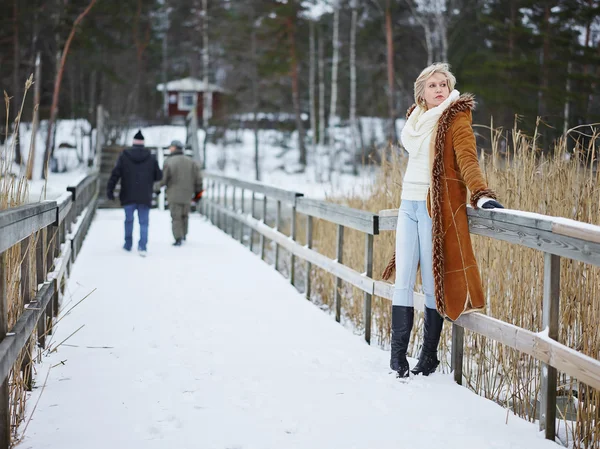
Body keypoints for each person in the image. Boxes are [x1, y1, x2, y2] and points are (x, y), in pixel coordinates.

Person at [381, 63, 504, 378]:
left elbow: (467, 158)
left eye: (444, 85)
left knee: (434, 282)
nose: (439, 90)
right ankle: (397, 358)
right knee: (404, 279)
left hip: (433, 208)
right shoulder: (415, 120)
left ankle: (428, 356)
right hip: (408, 203)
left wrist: (480, 193)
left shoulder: (455, 117)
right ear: (421, 91)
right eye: (433, 85)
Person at [106, 130, 162, 257]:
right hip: (145, 195)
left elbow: (115, 174)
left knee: (128, 220)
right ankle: (142, 246)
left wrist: (110, 190)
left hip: (128, 194)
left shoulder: (124, 156)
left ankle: (128, 244)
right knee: (144, 222)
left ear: (133, 143)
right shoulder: (151, 157)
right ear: (143, 143)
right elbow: (158, 176)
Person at [160, 140, 203, 246]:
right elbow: (198, 179)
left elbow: (163, 179)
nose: (170, 149)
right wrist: (198, 193)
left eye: (171, 147)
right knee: (185, 215)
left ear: (174, 148)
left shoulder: (169, 161)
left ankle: (178, 238)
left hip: (173, 194)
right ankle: (184, 234)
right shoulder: (191, 162)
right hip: (188, 194)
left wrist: (156, 188)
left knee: (176, 217)